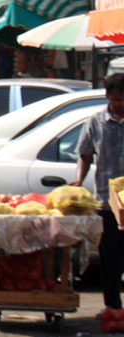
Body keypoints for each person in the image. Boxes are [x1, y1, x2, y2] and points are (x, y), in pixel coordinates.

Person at [75, 73, 124, 316]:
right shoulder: (95, 123)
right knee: (110, 257)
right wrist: (79, 178)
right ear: (108, 96)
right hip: (106, 203)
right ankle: (113, 307)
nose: (120, 105)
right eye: (116, 99)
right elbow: (85, 154)